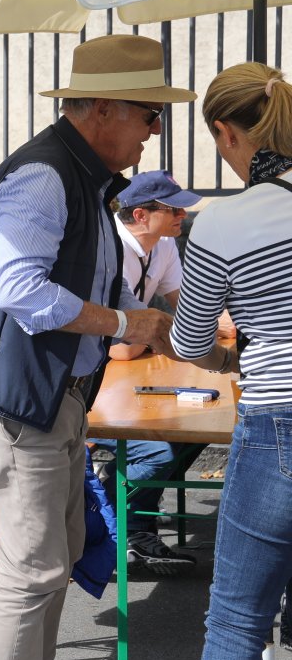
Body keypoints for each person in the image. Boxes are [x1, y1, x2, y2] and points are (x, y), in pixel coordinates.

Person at [0, 34, 187, 660]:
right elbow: (21, 291)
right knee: (36, 563)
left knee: (58, 552)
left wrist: (128, 319)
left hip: (51, 392)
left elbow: (72, 281)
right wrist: (123, 322)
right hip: (19, 396)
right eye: (148, 113)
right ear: (102, 109)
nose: (154, 129)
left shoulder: (80, 176)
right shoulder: (46, 176)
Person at [151, 62, 292, 660]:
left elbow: (190, 339)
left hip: (275, 426)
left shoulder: (223, 225)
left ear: (225, 133)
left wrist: (237, 354)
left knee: (238, 618)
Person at [93, 171, 209, 573]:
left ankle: (133, 519)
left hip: (129, 378)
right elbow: (120, 349)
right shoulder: (109, 248)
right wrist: (163, 330)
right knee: (158, 450)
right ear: (141, 215)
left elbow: (189, 312)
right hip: (93, 384)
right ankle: (113, 522)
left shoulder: (164, 244)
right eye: (174, 209)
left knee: (194, 429)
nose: (183, 215)